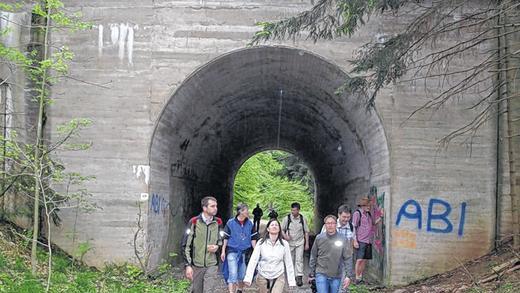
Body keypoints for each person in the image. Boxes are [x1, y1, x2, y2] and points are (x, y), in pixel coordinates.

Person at [181, 196, 223, 293]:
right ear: (204, 208)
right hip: (197, 265)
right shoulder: (194, 222)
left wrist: (217, 247)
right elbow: (186, 245)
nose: (215, 208)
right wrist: (188, 265)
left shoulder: (218, 222)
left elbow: (221, 240)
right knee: (196, 290)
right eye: (212, 206)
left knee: (209, 290)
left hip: (212, 264)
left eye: (216, 206)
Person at [244, 218, 296, 293]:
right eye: (272, 225)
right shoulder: (261, 243)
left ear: (279, 229)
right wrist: (248, 277)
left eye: (276, 225)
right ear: (268, 229)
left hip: (278, 275)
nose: (274, 226)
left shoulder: (284, 244)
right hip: (263, 275)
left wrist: (291, 281)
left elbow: (289, 263)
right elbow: (253, 260)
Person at [309, 215, 353, 293]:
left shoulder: (343, 239)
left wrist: (348, 276)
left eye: (332, 223)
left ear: (336, 224)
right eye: (328, 223)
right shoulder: (319, 238)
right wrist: (311, 274)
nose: (330, 225)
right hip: (321, 273)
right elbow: (313, 255)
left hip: (336, 274)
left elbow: (348, 258)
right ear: (325, 225)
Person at [221, 203, 258, 293]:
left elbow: (253, 239)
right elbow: (225, 238)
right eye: (246, 210)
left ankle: (239, 290)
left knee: (242, 275)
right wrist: (223, 251)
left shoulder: (250, 224)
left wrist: (257, 252)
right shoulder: (230, 223)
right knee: (232, 274)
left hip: (245, 253)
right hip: (232, 251)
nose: (248, 212)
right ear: (240, 211)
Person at [352, 196, 383, 284]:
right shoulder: (357, 214)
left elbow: (373, 223)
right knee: (359, 259)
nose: (369, 207)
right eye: (366, 205)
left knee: (365, 260)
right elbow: (353, 227)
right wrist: (355, 241)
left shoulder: (368, 214)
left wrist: (381, 217)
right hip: (360, 240)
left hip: (368, 241)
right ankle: (357, 278)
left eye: (369, 205)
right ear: (362, 206)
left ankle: (360, 277)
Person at [281, 202, 309, 287]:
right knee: (290, 259)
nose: (293, 212)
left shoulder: (302, 219)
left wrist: (307, 243)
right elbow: (282, 229)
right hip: (290, 243)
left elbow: (306, 231)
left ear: (298, 210)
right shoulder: (287, 218)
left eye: (295, 210)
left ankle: (299, 277)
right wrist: (285, 236)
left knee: (299, 259)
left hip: (300, 242)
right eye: (292, 210)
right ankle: (291, 276)